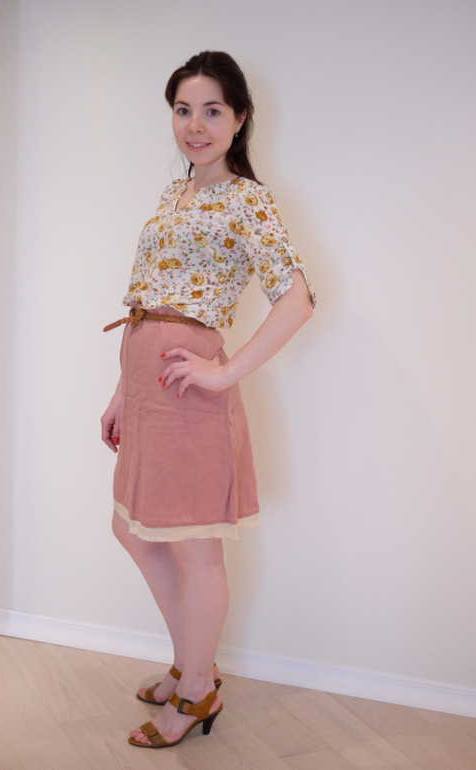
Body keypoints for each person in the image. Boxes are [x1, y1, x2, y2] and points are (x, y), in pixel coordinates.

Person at [101, 50, 316, 749]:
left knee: (193, 549)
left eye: (212, 110)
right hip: (147, 387)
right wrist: (122, 392)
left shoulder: (247, 199)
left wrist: (225, 374)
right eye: (183, 109)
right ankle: (194, 665)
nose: (194, 125)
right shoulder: (176, 194)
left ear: (240, 118)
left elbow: (297, 299)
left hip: (188, 391)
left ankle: (196, 692)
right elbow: (150, 297)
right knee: (134, 529)